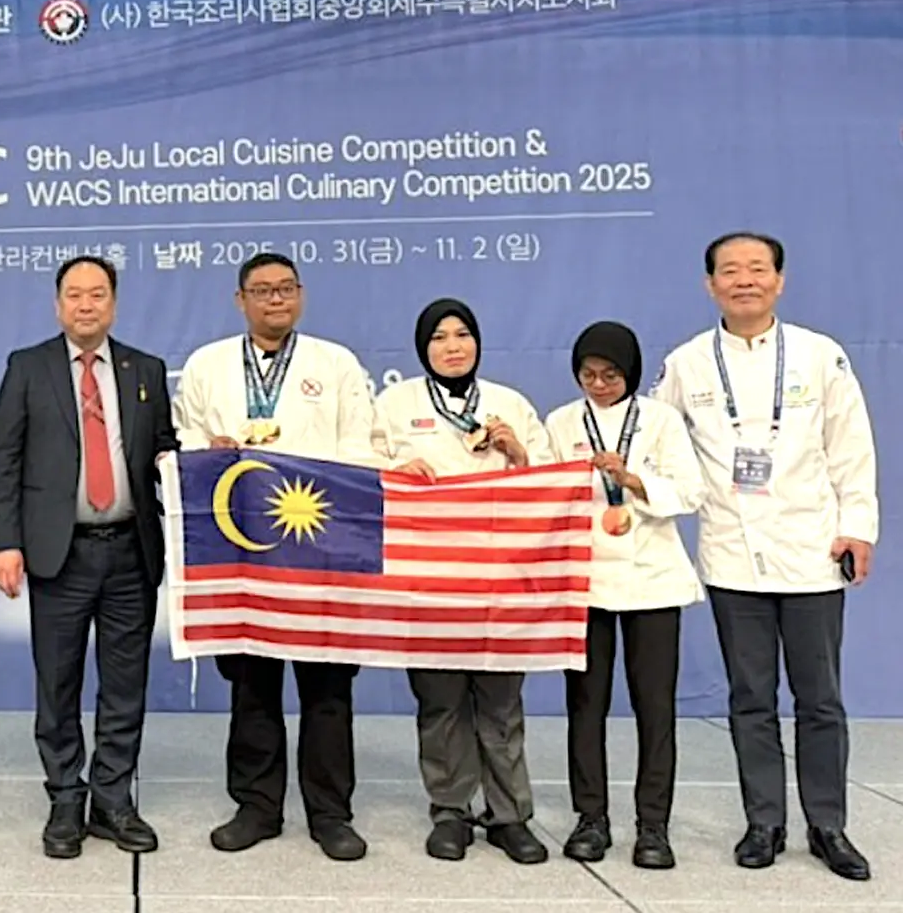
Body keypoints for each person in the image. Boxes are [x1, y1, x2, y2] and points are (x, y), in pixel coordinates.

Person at [652, 232, 875, 881]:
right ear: (710, 285)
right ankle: (764, 822)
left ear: (779, 281)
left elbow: (851, 447)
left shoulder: (820, 355)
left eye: (757, 269)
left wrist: (857, 528)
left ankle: (828, 825)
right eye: (730, 271)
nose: (743, 280)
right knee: (750, 697)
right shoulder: (687, 363)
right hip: (731, 553)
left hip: (812, 549)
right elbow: (655, 440)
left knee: (820, 698)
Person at [171, 252, 380, 862]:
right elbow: (183, 437)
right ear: (241, 300)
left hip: (322, 547)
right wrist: (209, 449)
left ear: (301, 294)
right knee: (252, 685)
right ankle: (257, 807)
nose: (275, 299)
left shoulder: (335, 363)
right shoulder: (207, 364)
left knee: (327, 687)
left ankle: (330, 813)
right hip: (243, 550)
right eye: (261, 291)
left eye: (285, 288)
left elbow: (358, 448)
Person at [0, 256, 178, 860]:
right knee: (58, 684)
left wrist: (186, 460)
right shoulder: (28, 367)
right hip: (57, 554)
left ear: (113, 304)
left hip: (130, 552)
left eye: (97, 294)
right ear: (58, 304)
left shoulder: (146, 369)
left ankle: (112, 801)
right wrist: (6, 542)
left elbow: (165, 450)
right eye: (74, 295)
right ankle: (65, 798)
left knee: (125, 686)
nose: (86, 305)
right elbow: (5, 461)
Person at [369, 298, 552, 865]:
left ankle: (509, 816)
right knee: (441, 699)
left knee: (501, 700)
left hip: (500, 577)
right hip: (429, 577)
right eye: (440, 337)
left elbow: (550, 482)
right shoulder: (395, 405)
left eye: (463, 334)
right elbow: (363, 469)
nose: (453, 346)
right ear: (422, 347)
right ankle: (450, 812)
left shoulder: (509, 403)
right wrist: (394, 471)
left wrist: (517, 453)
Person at [544, 321, 705, 870]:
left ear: (630, 372)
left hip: (652, 578)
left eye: (610, 375)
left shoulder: (660, 420)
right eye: (588, 374)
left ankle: (653, 827)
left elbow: (690, 492)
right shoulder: (562, 422)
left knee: (654, 708)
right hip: (585, 580)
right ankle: (591, 819)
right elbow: (545, 492)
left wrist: (632, 480)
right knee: (585, 706)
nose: (599, 384)